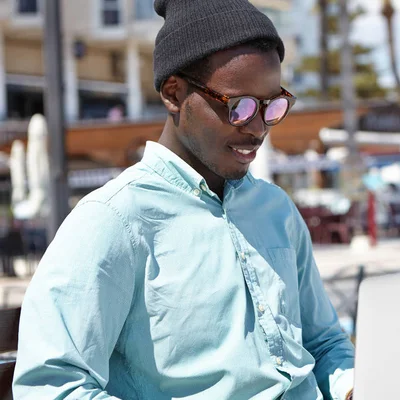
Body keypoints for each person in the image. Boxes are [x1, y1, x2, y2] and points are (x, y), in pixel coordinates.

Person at [13, 1, 355, 399]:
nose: (258, 128)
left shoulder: (275, 209)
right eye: (239, 107)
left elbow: (326, 343)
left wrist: (354, 385)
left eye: (271, 106)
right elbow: (50, 386)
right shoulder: (113, 221)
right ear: (175, 94)